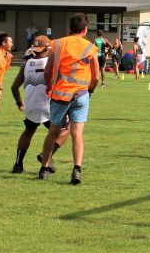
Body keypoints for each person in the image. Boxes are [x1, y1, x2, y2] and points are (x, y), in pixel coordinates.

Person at [39, 13, 100, 185]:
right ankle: (76, 170)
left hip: (60, 94)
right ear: (85, 29)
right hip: (81, 94)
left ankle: (44, 169)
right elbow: (96, 77)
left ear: (70, 28)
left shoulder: (57, 44)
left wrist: (49, 86)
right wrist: (91, 91)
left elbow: (47, 71)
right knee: (77, 134)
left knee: (53, 132)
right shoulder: (90, 47)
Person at [10, 35, 69, 174]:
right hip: (48, 106)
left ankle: (18, 164)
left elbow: (14, 87)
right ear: (47, 48)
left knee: (28, 132)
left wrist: (20, 102)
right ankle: (47, 156)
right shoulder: (52, 63)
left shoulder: (26, 64)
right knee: (66, 128)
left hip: (30, 106)